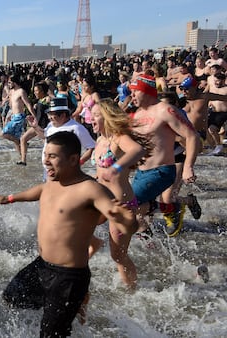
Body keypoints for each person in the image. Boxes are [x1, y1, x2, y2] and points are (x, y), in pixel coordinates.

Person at [0, 131, 136, 338]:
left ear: (74, 159)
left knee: (51, 335)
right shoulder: (53, 181)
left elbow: (124, 224)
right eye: (45, 155)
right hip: (41, 266)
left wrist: (127, 220)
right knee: (11, 299)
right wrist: (11, 198)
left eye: (53, 157)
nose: (46, 161)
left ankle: (76, 303)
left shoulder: (91, 190)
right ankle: (73, 308)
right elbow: (39, 191)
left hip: (68, 278)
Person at [128, 74, 200, 236]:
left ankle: (148, 238)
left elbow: (192, 136)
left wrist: (188, 167)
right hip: (141, 172)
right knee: (140, 211)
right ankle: (150, 244)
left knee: (130, 206)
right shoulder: (137, 114)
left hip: (161, 171)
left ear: (146, 91)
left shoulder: (165, 110)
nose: (132, 95)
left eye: (135, 91)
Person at [89, 98, 150, 290]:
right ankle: (89, 252)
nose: (91, 118)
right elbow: (100, 172)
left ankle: (133, 291)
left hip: (121, 206)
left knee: (118, 256)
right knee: (75, 229)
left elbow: (137, 150)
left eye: (96, 115)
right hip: (100, 202)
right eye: (91, 115)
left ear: (107, 117)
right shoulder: (100, 140)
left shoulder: (118, 138)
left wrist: (116, 167)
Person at [1, 75, 34, 157]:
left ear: (14, 82)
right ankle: (22, 158)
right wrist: (10, 114)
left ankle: (20, 142)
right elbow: (13, 105)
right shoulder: (12, 92)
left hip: (19, 117)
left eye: (9, 83)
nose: (8, 85)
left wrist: (34, 115)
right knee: (15, 137)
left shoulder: (21, 91)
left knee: (3, 133)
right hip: (13, 116)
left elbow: (28, 104)